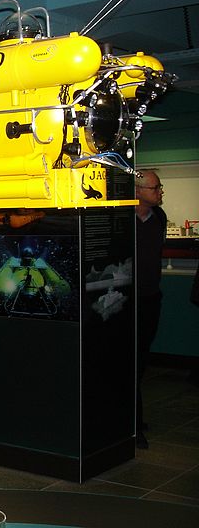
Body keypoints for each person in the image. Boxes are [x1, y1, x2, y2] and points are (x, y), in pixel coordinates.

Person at [134, 170, 167, 450]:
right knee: (129, 362)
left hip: (150, 297)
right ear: (138, 190)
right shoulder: (121, 220)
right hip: (127, 301)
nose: (160, 192)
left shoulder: (159, 218)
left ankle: (134, 417)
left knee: (142, 358)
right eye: (155, 188)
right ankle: (132, 423)